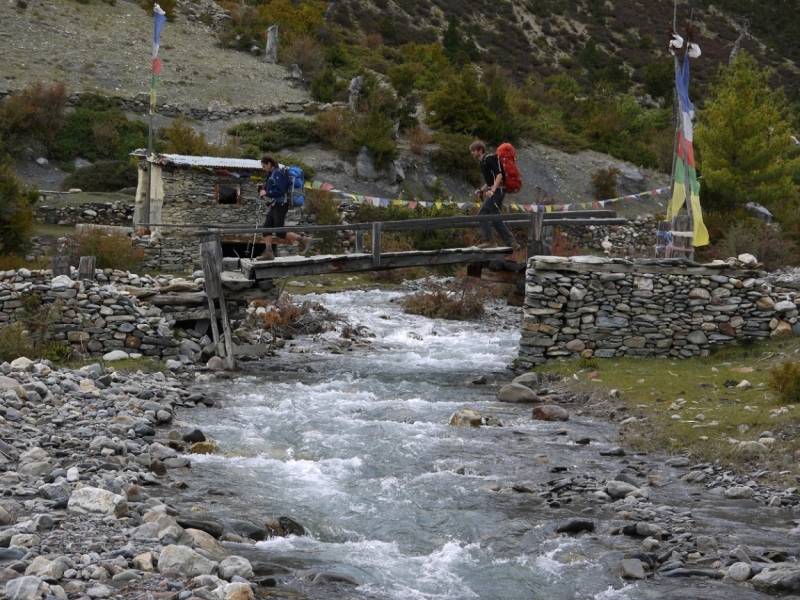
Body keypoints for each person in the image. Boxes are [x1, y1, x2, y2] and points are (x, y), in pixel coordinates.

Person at [256, 154, 311, 261]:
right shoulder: (272, 174)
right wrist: (262, 188)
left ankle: (303, 239)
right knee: (266, 228)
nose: (263, 169)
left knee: (280, 232)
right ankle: (269, 253)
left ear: (269, 164)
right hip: (274, 205)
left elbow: (281, 190)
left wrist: (267, 192)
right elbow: (271, 189)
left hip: (280, 205)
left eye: (264, 166)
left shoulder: (277, 173)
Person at [469, 141, 521, 251]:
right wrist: (482, 190)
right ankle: (511, 242)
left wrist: (492, 190)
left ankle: (489, 241)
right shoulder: (483, 162)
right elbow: (490, 179)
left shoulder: (488, 159)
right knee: (495, 217)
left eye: (473, 150)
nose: (472, 153)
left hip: (497, 191)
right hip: (497, 190)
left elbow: (499, 175)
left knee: (482, 214)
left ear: (480, 150)